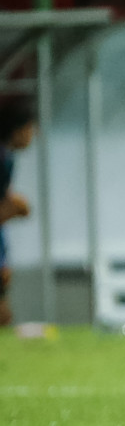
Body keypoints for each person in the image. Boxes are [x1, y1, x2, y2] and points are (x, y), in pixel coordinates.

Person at [0, 97, 36, 327]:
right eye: (30, 128)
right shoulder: (2, 159)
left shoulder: (7, 158)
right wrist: (13, 209)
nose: (33, 134)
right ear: (17, 129)